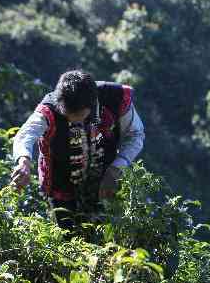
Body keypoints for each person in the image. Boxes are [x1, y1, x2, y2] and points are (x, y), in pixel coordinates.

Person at [10, 70, 145, 230]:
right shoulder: (48, 110)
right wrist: (24, 161)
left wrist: (116, 168)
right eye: (68, 114)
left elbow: (135, 135)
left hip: (104, 179)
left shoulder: (114, 98)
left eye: (80, 114)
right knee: (66, 237)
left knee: (105, 237)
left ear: (92, 102)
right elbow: (25, 134)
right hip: (59, 180)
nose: (74, 120)